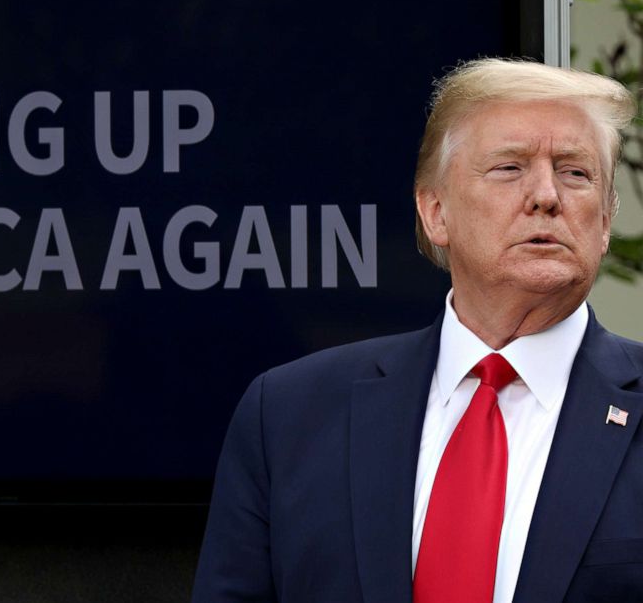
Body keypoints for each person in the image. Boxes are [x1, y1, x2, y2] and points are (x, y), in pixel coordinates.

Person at [191, 59, 643, 603]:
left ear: (603, 222)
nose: (547, 195)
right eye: (509, 168)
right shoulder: (289, 414)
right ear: (435, 213)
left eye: (575, 172)